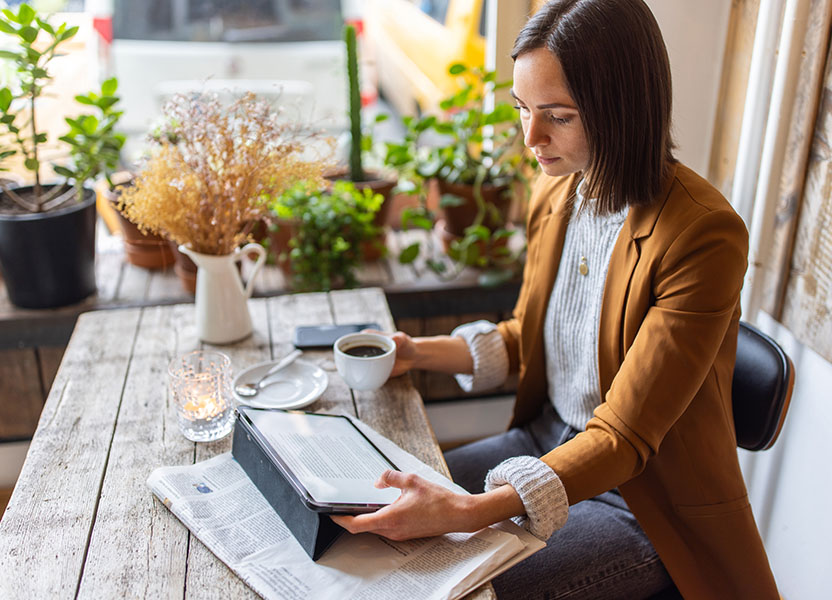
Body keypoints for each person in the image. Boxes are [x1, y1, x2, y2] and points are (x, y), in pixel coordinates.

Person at [332, 0, 779, 597]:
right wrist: (419, 353)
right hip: (544, 440)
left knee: (440, 580)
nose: (532, 138)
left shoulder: (702, 234)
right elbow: (532, 334)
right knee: (362, 508)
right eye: (523, 109)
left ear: (623, 110)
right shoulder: (562, 190)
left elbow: (623, 438)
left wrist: (466, 513)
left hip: (642, 500)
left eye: (558, 116)